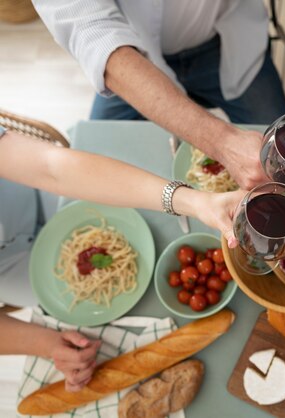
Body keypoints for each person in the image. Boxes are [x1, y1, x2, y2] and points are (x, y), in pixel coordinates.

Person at [0, 126, 246, 391]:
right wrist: (46, 343)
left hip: (38, 191)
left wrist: (193, 201)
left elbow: (50, 167)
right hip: (14, 274)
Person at [32, 0, 285, 189]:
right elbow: (92, 32)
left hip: (224, 36)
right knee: (91, 169)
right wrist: (222, 141)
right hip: (130, 59)